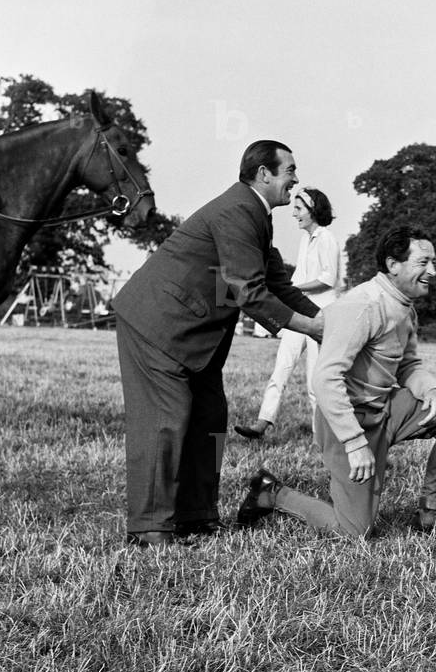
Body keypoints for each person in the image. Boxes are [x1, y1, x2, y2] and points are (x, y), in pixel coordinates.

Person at [113, 140, 324, 547]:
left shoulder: (255, 216)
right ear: (264, 174)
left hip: (194, 339)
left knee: (210, 419)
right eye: (290, 170)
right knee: (165, 421)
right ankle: (150, 527)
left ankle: (196, 515)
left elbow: (278, 285)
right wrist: (311, 329)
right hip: (158, 326)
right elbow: (250, 292)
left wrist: (326, 320)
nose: (296, 180)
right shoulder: (237, 211)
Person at [236, 226, 436, 538]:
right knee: (354, 531)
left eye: (432, 262)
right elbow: (325, 379)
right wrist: (355, 442)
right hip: (347, 422)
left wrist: (430, 387)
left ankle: (429, 514)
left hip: (383, 410)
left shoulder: (403, 305)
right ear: (393, 265)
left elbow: (408, 364)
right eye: (423, 263)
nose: (433, 271)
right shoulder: (363, 305)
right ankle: (271, 492)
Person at [234, 186, 343, 439]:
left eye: (299, 209)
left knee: (315, 381)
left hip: (322, 316)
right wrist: (286, 292)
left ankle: (321, 437)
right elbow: (297, 277)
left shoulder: (327, 238)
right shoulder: (305, 239)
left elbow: (328, 279)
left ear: (313, 210)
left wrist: (291, 289)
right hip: (301, 312)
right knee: (281, 367)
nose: (294, 214)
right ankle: (262, 423)